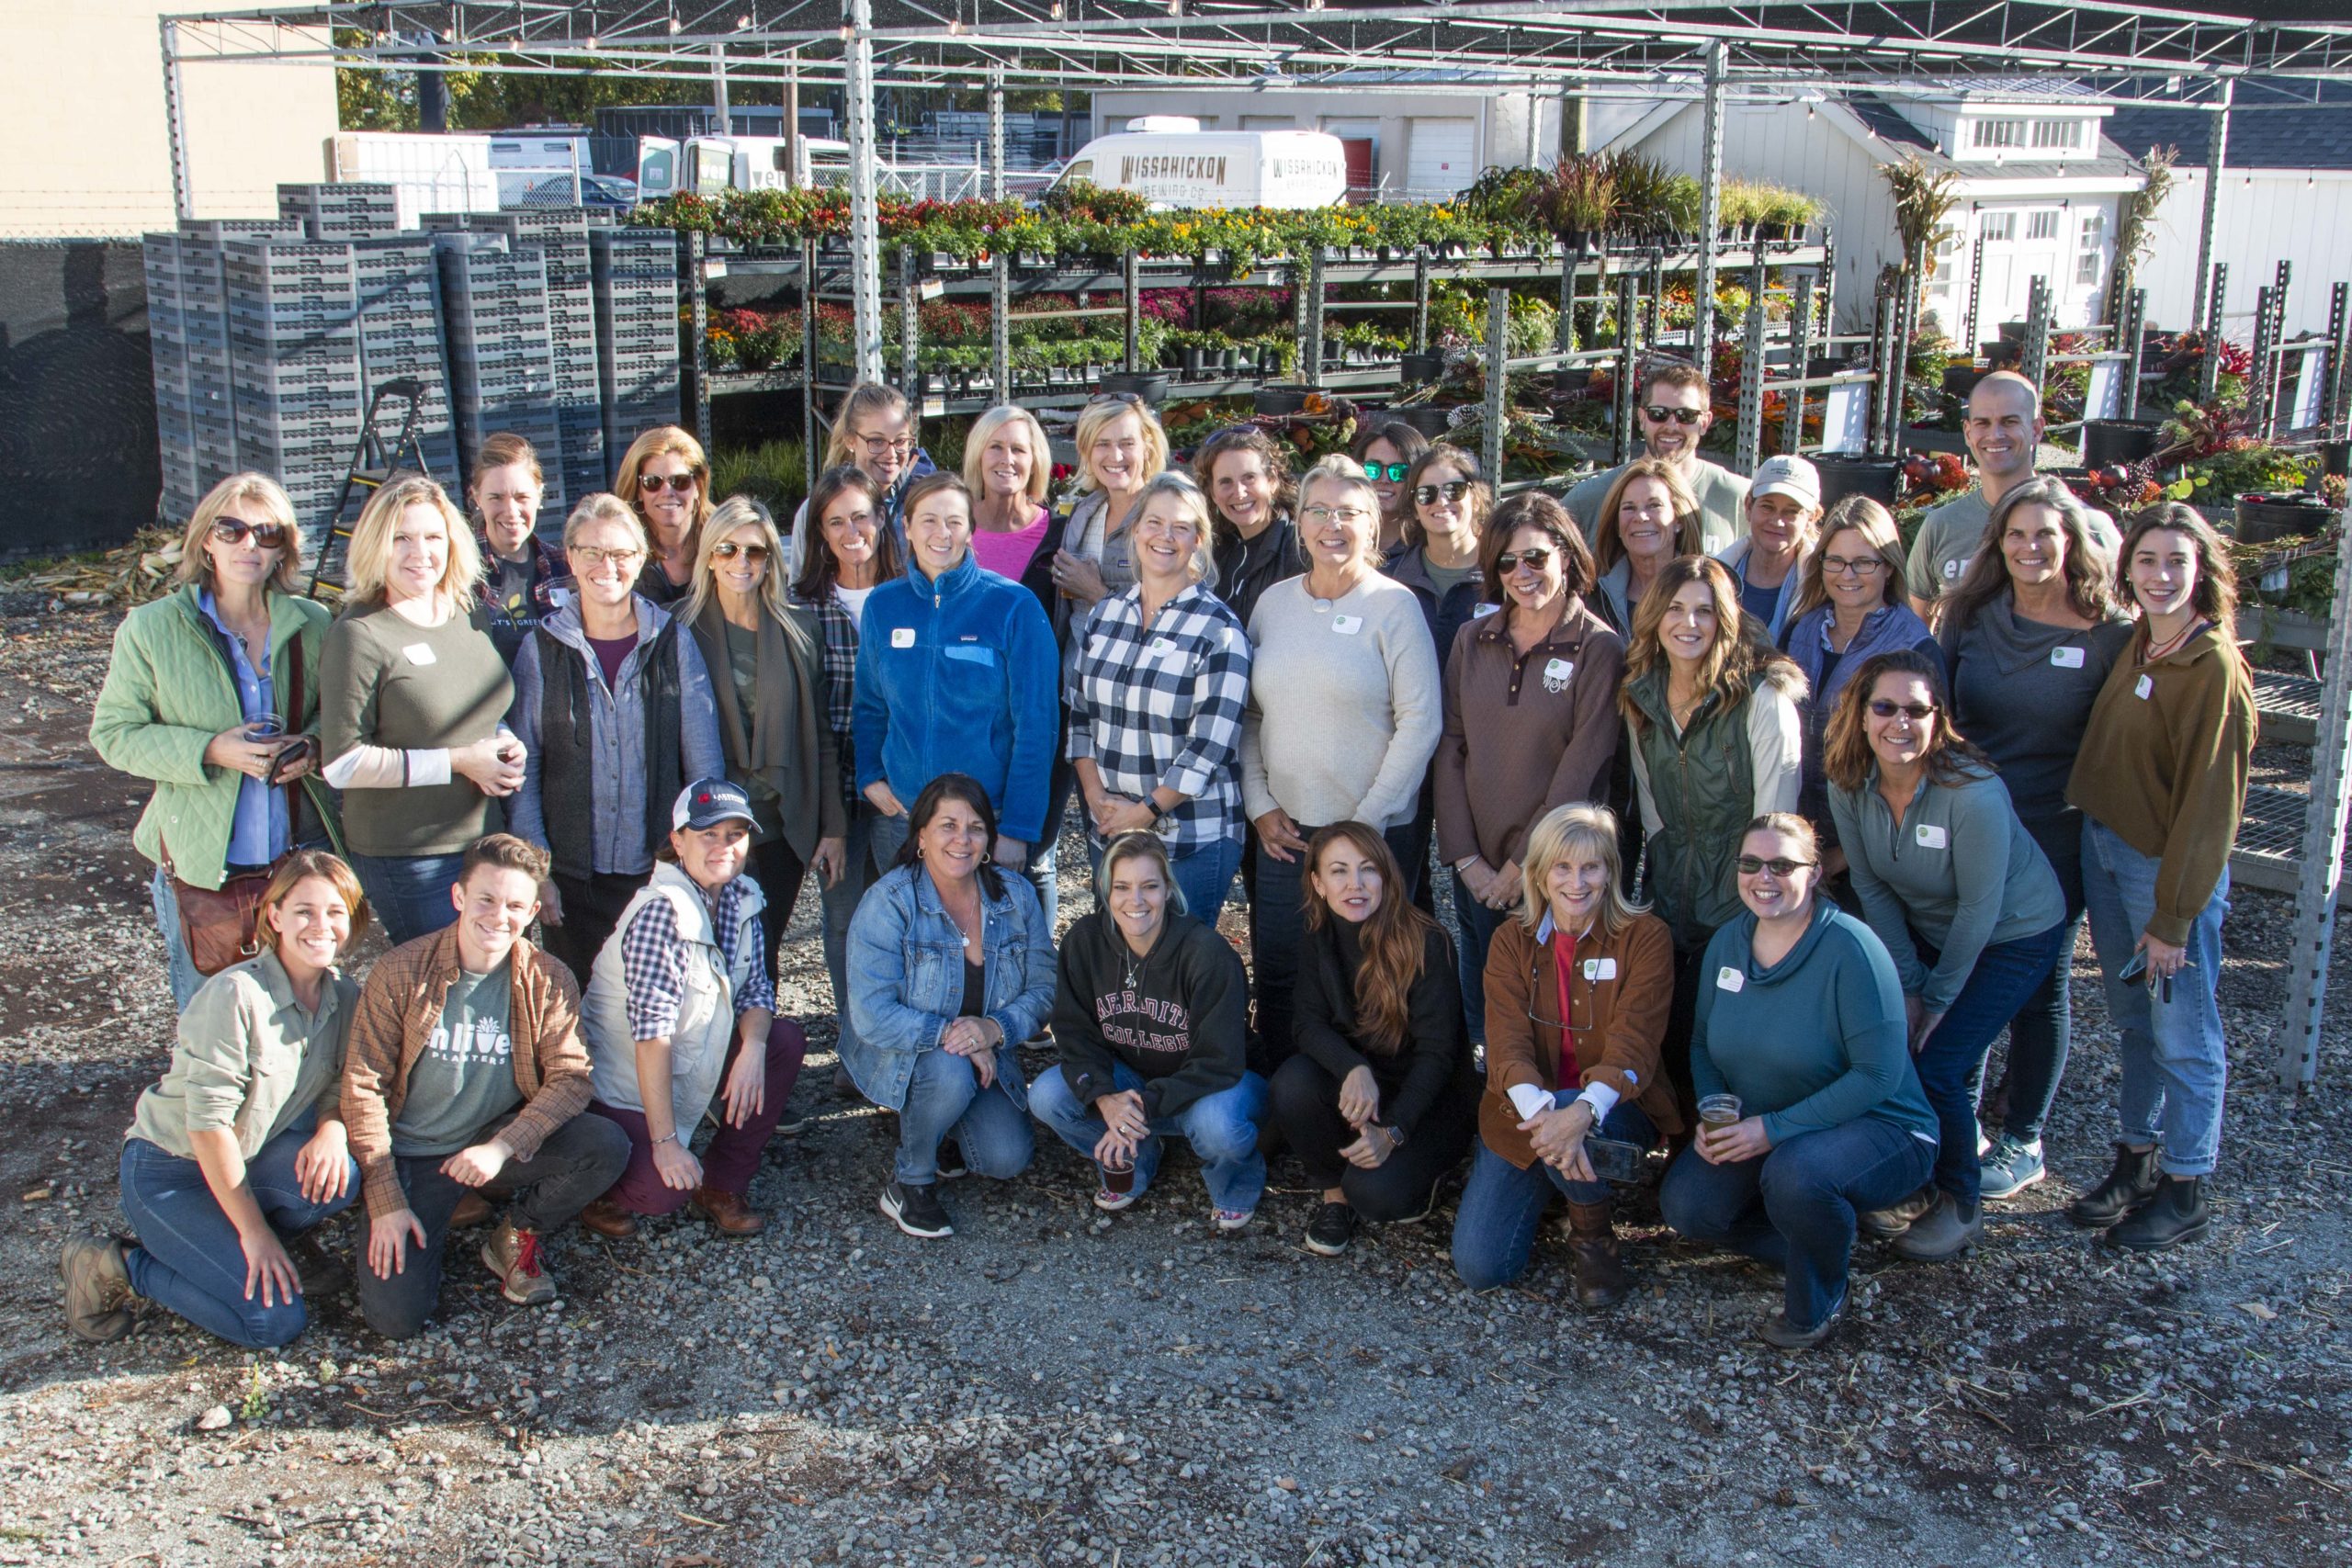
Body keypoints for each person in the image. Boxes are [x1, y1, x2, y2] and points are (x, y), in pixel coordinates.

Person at [63, 852, 368, 1347]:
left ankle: (240, 1251)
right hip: (173, 1173)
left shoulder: (344, 995)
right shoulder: (235, 994)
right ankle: (120, 1264)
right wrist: (255, 1233)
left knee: (339, 1177)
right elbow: (207, 1127)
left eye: (335, 912)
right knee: (272, 1324)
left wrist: (332, 1126)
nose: (321, 925)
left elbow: (335, 1085)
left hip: (245, 1160)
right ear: (275, 916)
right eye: (304, 911)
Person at [1658, 815, 1939, 1349]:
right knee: (1688, 1208)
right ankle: (1820, 1234)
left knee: (1797, 1174)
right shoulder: (1726, 943)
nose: (1764, 876)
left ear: (1814, 873)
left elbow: (1878, 1076)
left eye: (1782, 865)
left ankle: (1820, 1295)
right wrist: (1715, 1116)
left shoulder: (1852, 950)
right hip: (1765, 1121)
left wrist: (1773, 1130)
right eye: (1750, 863)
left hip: (1881, 1127)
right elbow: (1700, 1043)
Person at [1825, 651, 2067, 1259]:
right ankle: (1918, 1178)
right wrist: (1907, 983)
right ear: (1860, 712)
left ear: (1939, 719)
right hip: (1930, 927)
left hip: (2015, 930)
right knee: (1899, 1046)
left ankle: (1961, 1199)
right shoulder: (1849, 780)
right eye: (1884, 706)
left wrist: (1934, 1000)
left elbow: (1979, 910)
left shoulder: (1973, 792)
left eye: (1916, 709)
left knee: (1939, 1059)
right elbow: (1874, 887)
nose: (1898, 722)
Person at [342, 835, 633, 1337]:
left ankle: (514, 1233)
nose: (500, 916)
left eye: (516, 905)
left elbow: (570, 1076)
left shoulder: (546, 976)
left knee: (603, 1144)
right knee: (396, 1321)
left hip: (489, 1142)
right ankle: (427, 1211)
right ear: (458, 897)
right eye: (487, 899)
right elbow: (362, 1087)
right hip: (413, 1153)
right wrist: (385, 1199)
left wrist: (501, 1148)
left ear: (534, 910)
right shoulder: (400, 972)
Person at [1933, 477, 2134, 1200]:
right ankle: (1963, 1119)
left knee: (2039, 984)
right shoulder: (1970, 616)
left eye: (2045, 534)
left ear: (2072, 543)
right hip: (1971, 823)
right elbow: (1939, 712)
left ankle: (2024, 1135)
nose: (2029, 547)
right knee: (1965, 968)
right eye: (2016, 534)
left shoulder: (2109, 632)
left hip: (2054, 834)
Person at [2064, 504, 2255, 1251]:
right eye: (2148, 561)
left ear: (2202, 571)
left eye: (2177, 561)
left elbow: (2211, 805)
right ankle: (2136, 1158)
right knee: (2135, 1021)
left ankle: (2187, 1182)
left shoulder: (2211, 668)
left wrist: (2174, 916)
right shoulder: (2143, 643)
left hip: (2160, 869)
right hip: (2106, 850)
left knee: (2184, 1028)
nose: (2161, 575)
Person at [90, 472, 340, 1009]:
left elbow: (337, 716)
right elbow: (113, 734)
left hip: (295, 858)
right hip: (203, 862)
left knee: (301, 1014)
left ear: (283, 549)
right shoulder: (152, 628)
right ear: (206, 539)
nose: (250, 544)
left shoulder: (313, 623)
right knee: (210, 1022)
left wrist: (312, 746)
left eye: (267, 533)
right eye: (232, 530)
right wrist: (209, 750)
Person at [1239, 455, 1442, 1072]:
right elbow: (1248, 716)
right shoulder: (1272, 604)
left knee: (1374, 976)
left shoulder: (1395, 607)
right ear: (1298, 522)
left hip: (1375, 833)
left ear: (1373, 524)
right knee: (1279, 972)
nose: (1333, 524)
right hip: (1288, 833)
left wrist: (1365, 824)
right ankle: (1286, 1100)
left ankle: (1377, 1103)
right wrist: (1259, 802)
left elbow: (1422, 721)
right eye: (1318, 510)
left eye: (1349, 512)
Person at [1451, 805, 1682, 1303]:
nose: (1577, 882)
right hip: (1527, 1111)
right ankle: (1559, 1183)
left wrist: (1581, 1110)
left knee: (1574, 1114)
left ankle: (1593, 1235)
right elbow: (1506, 1044)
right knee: (1480, 1266)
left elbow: (1633, 1045)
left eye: (1591, 867)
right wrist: (1546, 1116)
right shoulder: (1510, 942)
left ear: (1611, 872)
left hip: (1615, 1108)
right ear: (1538, 873)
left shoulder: (1646, 938)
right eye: (1562, 867)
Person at [507, 492, 725, 984]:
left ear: (640, 558)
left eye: (622, 553)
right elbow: (526, 768)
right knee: (579, 1010)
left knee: (653, 1009)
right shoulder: (541, 649)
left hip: (656, 872)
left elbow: (704, 765)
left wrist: (701, 862)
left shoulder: (671, 641)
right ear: (570, 556)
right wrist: (538, 874)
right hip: (571, 877)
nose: (608, 566)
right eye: (592, 552)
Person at [579, 782, 809, 1239]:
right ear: (678, 841)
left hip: (691, 1053)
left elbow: (758, 989)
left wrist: (752, 1050)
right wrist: (666, 1145)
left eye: (736, 834)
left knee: (781, 1042)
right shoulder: (661, 913)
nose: (724, 847)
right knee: (661, 1193)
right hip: (623, 1085)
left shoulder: (744, 893)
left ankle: (722, 1185)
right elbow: (652, 1038)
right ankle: (598, 1187)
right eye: (709, 834)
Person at [1433, 492, 1623, 1043]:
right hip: (1476, 865)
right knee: (1484, 998)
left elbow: (1580, 769)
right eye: (1507, 562)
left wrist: (1522, 867)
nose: (1522, 573)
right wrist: (1466, 858)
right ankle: (1487, 1108)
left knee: (1544, 1007)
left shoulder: (1598, 649)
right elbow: (1451, 746)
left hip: (1553, 871)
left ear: (1566, 554)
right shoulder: (1474, 638)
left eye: (1536, 557)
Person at [1618, 555, 1806, 1107]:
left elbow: (1780, 826)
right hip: (1670, 893)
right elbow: (1653, 812)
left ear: (1726, 619)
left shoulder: (1762, 699)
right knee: (1667, 1035)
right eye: (1675, 609)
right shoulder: (1641, 697)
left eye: (1705, 611)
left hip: (1741, 899)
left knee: (1725, 1044)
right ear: (1654, 617)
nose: (1689, 623)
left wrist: (1759, 914)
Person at [846, 775, 1053, 1239]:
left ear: (989, 839)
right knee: (948, 1071)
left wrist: (993, 1030)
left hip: (985, 1049)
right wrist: (955, 1035)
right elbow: (871, 1013)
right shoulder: (889, 902)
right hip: (906, 1056)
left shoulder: (1016, 896)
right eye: (948, 826)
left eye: (976, 827)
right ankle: (910, 1180)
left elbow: (1045, 988)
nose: (962, 839)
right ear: (921, 835)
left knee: (1006, 1158)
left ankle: (940, 1128)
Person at [319, 476, 520, 945]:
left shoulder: (467, 615)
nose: (420, 552)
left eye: (433, 537)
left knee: (484, 983)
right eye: (401, 539)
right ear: (375, 546)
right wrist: (458, 762)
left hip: (485, 839)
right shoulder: (360, 635)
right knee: (438, 990)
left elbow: (485, 709)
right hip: (411, 855)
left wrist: (506, 743)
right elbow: (343, 763)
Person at [1269, 824, 1479, 1255]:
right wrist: (1354, 1067)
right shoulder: (1318, 933)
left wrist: (1394, 1130)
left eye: (1368, 870)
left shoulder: (1426, 942)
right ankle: (1334, 1195)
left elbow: (1438, 1057)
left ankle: (1424, 1170)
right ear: (1318, 883)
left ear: (1386, 875)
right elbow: (1307, 1024)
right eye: (1339, 871)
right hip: (1369, 1085)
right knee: (1292, 1083)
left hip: (1431, 1098)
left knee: (1378, 1196)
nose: (1355, 885)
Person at [1033, 831, 1261, 1227]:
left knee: (1217, 1126)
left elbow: (1219, 1062)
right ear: (1106, 889)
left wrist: (1135, 1107)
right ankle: (1138, 1156)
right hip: (1135, 1080)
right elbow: (1074, 1035)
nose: (1135, 901)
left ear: (1168, 890)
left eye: (1149, 886)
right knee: (1048, 1095)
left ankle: (1234, 1185)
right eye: (1122, 886)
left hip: (1213, 1086)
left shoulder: (1207, 955)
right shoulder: (1084, 943)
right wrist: (1104, 1097)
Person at [1065, 471, 1252, 919]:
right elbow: (1079, 715)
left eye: (1181, 527)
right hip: (1111, 829)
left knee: (1182, 974)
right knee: (1121, 969)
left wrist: (1144, 811)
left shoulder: (1219, 629)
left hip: (1188, 838)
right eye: (1154, 522)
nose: (1164, 537)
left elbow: (1208, 747)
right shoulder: (1107, 613)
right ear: (1135, 529)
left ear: (1198, 540)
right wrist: (1095, 798)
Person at [853, 473, 1059, 877]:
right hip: (902, 818)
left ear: (971, 531)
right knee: (908, 935)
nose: (941, 533)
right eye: (928, 520)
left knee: (983, 938)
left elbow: (1037, 725)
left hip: (985, 820)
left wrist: (1017, 827)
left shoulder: (1013, 607)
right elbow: (869, 705)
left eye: (954, 521)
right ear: (907, 527)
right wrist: (870, 775)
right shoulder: (882, 605)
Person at [684, 496, 848, 981]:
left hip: (778, 825)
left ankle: (761, 1053)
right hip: (710, 825)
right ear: (710, 555)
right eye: (728, 549)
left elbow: (821, 734)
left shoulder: (799, 627)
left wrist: (833, 826)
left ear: (770, 560)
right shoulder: (680, 628)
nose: (741, 561)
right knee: (709, 953)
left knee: (763, 951)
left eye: (754, 551)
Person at [794, 467, 902, 1089]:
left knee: (899, 908)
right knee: (841, 915)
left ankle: (896, 1040)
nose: (851, 530)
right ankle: (854, 1042)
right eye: (835, 521)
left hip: (896, 783)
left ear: (882, 518)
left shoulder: (910, 592)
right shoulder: (806, 604)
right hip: (835, 786)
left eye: (860, 515)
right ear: (820, 533)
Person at [1777, 496, 1942, 878]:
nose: (1847, 574)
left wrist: (1844, 855)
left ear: (1888, 567)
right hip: (1799, 832)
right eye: (1834, 560)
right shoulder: (1799, 630)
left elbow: (1924, 766)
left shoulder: (1914, 648)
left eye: (1864, 562)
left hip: (1875, 847)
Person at [1905, 373, 2115, 617]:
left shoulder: (2090, 528)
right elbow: (1916, 633)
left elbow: (2119, 631)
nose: (1995, 435)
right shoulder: (1941, 526)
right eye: (1983, 423)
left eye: (2009, 422)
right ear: (1968, 432)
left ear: (2037, 429)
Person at [1566, 361, 1748, 550]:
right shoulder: (1590, 499)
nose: (1671, 426)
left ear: (1704, 422)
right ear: (1642, 418)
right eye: (1659, 414)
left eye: (1686, 416)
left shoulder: (1737, 500)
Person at [785, 381, 936, 576]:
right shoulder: (817, 510)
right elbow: (802, 592)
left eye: (900, 441)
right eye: (877, 441)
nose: (891, 454)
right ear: (850, 440)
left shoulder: (922, 506)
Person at [1048, 392, 1170, 623]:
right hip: (1082, 658)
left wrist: (1096, 593)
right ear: (1086, 451)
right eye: (1102, 444)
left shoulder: (1168, 517)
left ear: (1147, 448)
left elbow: (1174, 621)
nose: (1115, 455)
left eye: (1127, 443)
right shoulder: (1085, 513)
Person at [469, 432, 566, 665]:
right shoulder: (459, 571)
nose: (511, 510)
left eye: (522, 497)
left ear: (539, 496)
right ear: (476, 498)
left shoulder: (563, 567)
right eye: (496, 498)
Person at [1197, 425, 1303, 634]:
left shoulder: (1299, 547)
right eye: (1225, 482)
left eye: (1249, 478)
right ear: (1212, 493)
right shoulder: (1212, 551)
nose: (1239, 492)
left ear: (1272, 481)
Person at [1588, 457, 1706, 637]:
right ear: (1617, 525)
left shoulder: (1709, 593)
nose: (1641, 517)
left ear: (1679, 520)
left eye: (1654, 506)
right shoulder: (1592, 597)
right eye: (1629, 508)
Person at [1715, 454, 1820, 642]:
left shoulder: (1821, 588)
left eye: (1792, 511)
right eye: (1767, 507)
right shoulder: (1713, 575)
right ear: (1748, 506)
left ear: (1812, 518)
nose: (1777, 521)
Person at [965, 403, 1058, 601]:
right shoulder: (954, 527)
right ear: (978, 456)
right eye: (996, 447)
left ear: (1034, 462)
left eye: (1018, 450)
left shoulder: (1061, 534)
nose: (1007, 459)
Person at [614, 425, 715, 607]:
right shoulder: (620, 553)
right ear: (638, 491)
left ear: (698, 486)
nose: (668, 492)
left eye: (680, 481)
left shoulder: (724, 541)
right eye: (653, 482)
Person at [1352, 417, 1431, 555]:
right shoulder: (1338, 538)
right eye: (1372, 469)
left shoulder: (1430, 548)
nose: (1384, 479)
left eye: (1399, 471)